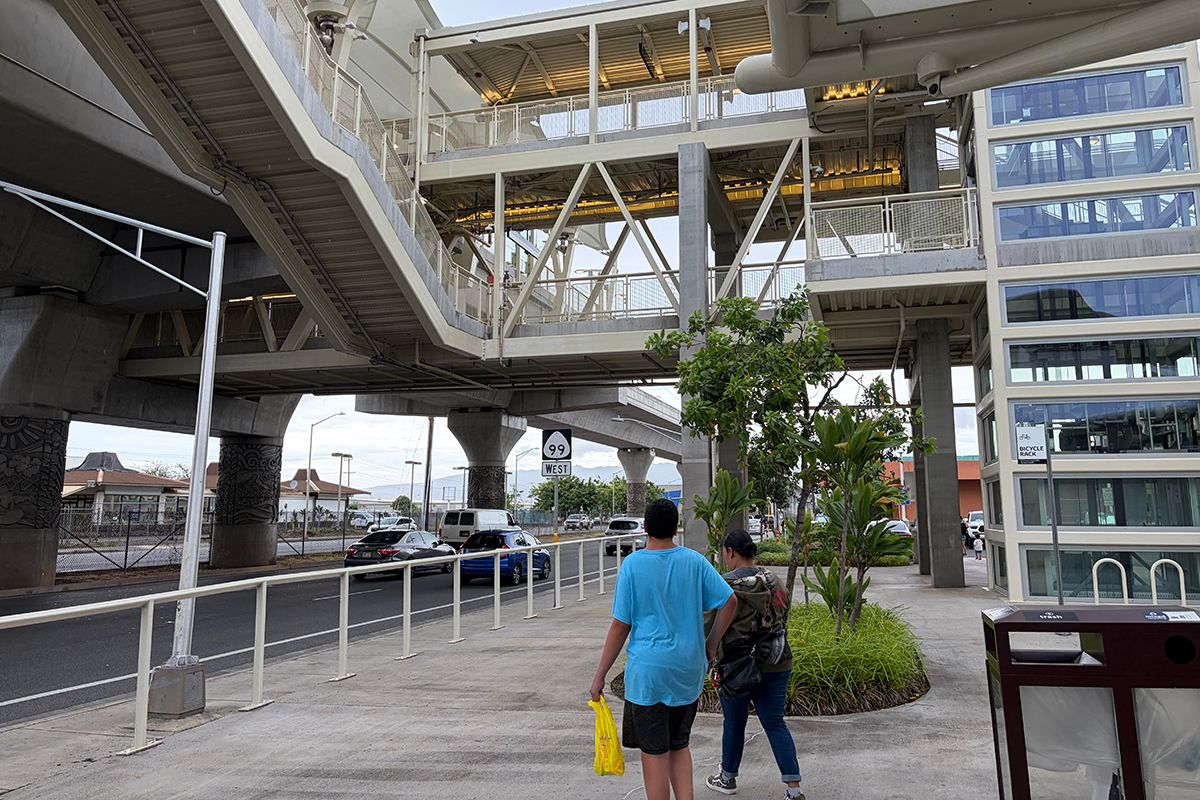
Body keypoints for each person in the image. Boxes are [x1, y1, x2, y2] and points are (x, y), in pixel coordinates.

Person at [590, 499, 739, 800]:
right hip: (687, 670)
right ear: (676, 528)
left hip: (648, 675)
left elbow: (621, 626)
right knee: (679, 745)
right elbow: (730, 601)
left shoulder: (632, 565)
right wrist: (710, 645)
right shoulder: (695, 562)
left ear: (645, 528)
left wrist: (599, 676)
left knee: (654, 752)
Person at [705, 530, 804, 800]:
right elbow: (783, 614)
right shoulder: (774, 580)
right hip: (776, 659)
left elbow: (709, 624)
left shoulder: (723, 585)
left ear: (730, 552)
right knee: (774, 723)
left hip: (736, 666)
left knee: (734, 723)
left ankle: (727, 778)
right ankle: (794, 790)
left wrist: (709, 655)